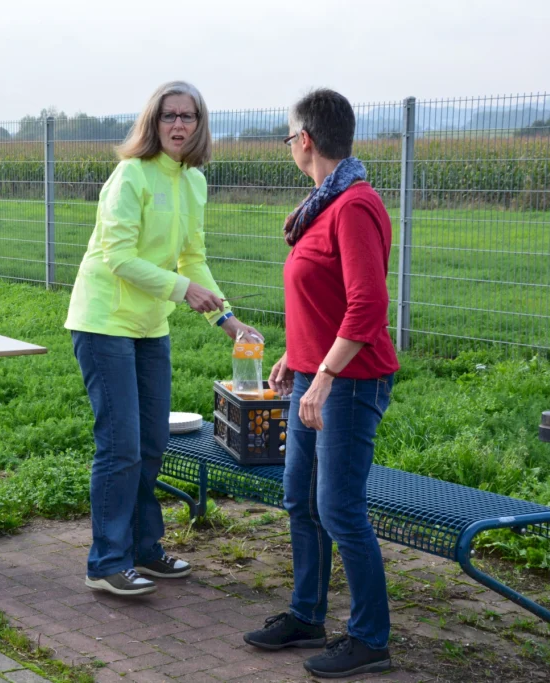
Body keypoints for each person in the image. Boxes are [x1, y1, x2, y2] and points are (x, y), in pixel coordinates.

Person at [65, 81, 262, 597]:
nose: (179, 125)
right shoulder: (130, 175)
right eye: (169, 116)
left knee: (151, 445)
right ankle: (106, 562)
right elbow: (119, 258)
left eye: (189, 117)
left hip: (152, 325)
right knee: (120, 446)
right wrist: (181, 290)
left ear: (200, 125)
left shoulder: (193, 181)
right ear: (152, 123)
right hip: (104, 321)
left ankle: (144, 549)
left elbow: (192, 260)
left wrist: (229, 320)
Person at [242, 89, 399, 678]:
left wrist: (326, 374)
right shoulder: (323, 204)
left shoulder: (354, 206)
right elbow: (325, 299)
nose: (290, 145)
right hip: (315, 371)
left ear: (304, 139)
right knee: (300, 500)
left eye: (289, 136)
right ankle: (307, 613)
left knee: (339, 508)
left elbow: (366, 307)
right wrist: (297, 356)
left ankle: (370, 638)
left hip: (351, 382)